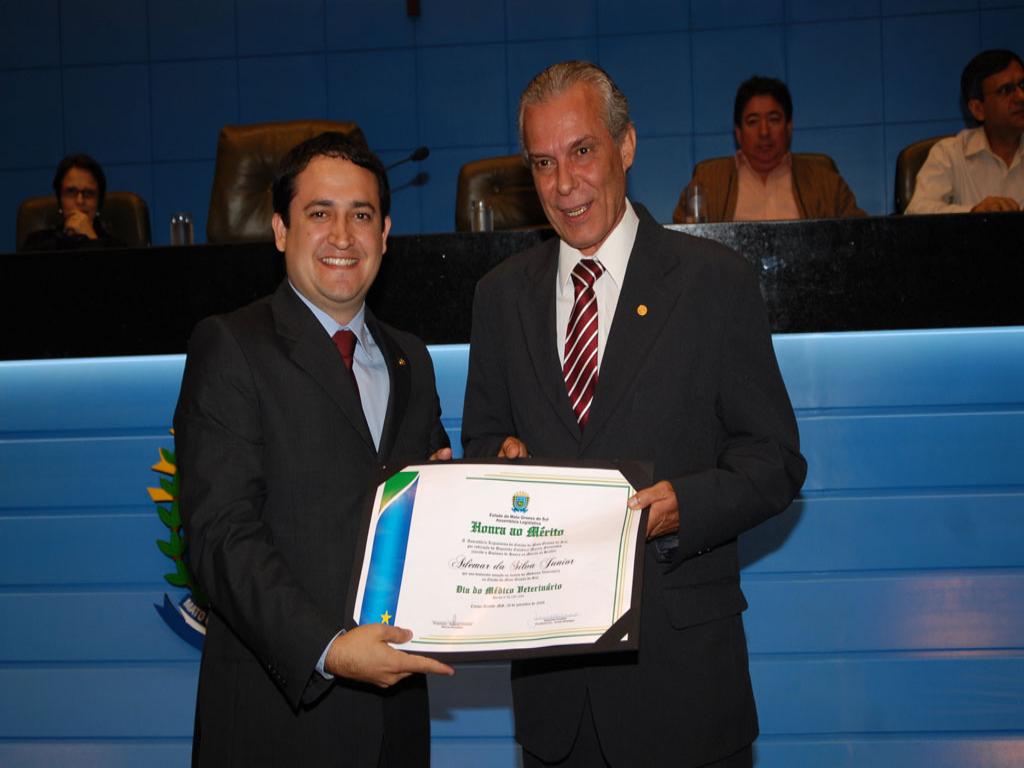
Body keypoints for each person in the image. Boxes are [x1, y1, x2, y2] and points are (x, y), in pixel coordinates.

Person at [463, 61, 807, 767]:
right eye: (543, 163)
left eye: (582, 151)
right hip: (557, 701)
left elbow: (774, 461)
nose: (564, 183)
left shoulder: (714, 283)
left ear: (626, 146)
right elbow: (485, 439)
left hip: (684, 687)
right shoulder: (500, 298)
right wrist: (500, 465)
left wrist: (685, 505)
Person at [174, 132, 454, 767]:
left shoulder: (412, 358)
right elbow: (221, 535)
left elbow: (422, 508)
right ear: (281, 230)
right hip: (278, 725)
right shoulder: (231, 346)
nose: (343, 236)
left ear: (385, 233)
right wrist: (328, 647)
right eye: (320, 213)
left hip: (396, 728)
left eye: (362, 215)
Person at [673, 76, 865, 222]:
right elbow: (680, 247)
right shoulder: (707, 182)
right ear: (738, 133)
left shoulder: (827, 184)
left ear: (788, 128)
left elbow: (862, 239)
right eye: (753, 121)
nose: (764, 132)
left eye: (774, 119)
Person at [906, 49, 1024, 214]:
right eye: (1005, 90)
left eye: (1022, 85)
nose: (1021, 97)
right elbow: (917, 212)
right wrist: (974, 213)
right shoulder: (949, 154)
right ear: (978, 109)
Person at [21, 154, 124, 250]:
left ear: (99, 201)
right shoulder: (37, 244)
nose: (80, 201)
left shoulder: (116, 248)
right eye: (71, 192)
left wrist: (91, 239)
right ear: (59, 199)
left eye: (88, 193)